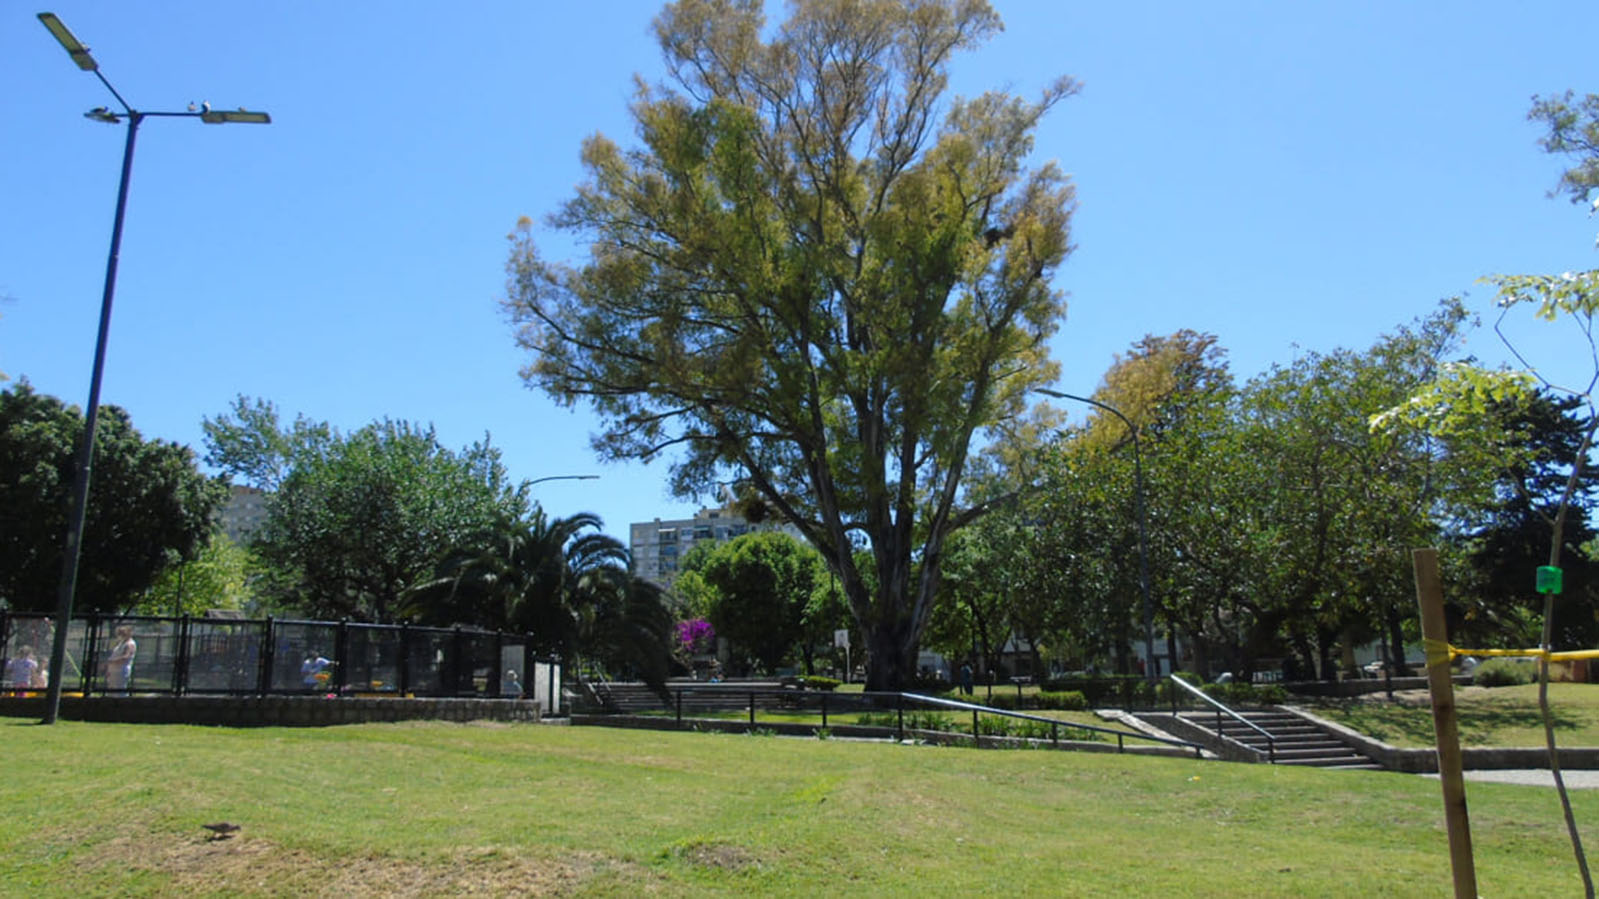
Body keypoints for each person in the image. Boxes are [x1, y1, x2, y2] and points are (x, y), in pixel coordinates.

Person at [105, 626, 136, 692]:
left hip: (121, 671)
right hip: (113, 671)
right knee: (111, 690)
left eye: (122, 633)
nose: (120, 635)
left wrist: (112, 661)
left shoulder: (130, 644)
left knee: (119, 690)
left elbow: (126, 657)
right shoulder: (121, 643)